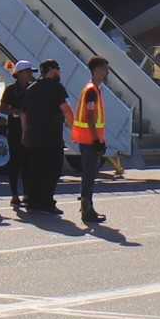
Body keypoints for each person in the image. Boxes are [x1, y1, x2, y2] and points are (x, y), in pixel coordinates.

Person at [23, 60, 70, 218]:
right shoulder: (56, 88)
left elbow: (25, 113)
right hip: (51, 137)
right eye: (58, 69)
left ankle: (32, 200)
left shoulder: (31, 88)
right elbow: (65, 110)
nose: (60, 72)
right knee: (52, 171)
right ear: (51, 70)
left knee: (35, 169)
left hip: (34, 136)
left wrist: (26, 133)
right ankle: (47, 202)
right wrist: (74, 126)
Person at [71, 56, 111, 226]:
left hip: (90, 139)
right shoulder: (91, 91)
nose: (107, 72)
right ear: (96, 70)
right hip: (89, 140)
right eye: (104, 68)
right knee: (88, 176)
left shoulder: (95, 89)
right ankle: (87, 210)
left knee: (89, 175)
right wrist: (96, 140)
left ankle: (88, 208)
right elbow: (89, 117)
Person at [0, 61, 37, 213]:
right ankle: (14, 194)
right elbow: (3, 108)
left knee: (29, 163)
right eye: (27, 72)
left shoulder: (32, 89)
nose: (30, 75)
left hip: (30, 130)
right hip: (15, 129)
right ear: (19, 73)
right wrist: (16, 112)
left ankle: (27, 194)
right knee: (15, 163)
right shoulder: (11, 90)